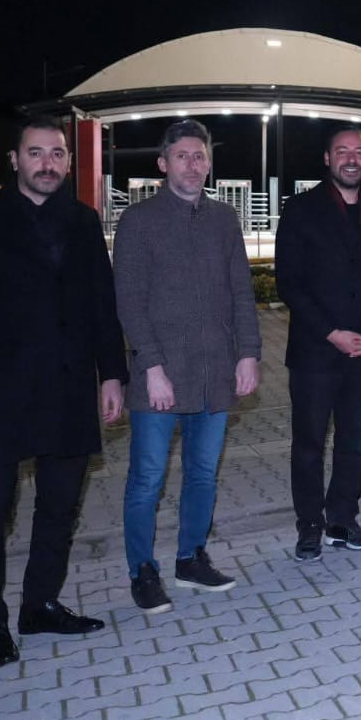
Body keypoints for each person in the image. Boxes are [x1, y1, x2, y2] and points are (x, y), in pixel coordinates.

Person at [0, 119, 127, 667]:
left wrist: (112, 374)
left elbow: (101, 306)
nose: (48, 163)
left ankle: (40, 603)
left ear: (68, 163)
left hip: (68, 389)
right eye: (36, 152)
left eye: (58, 154)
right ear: (15, 161)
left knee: (59, 506)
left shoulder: (84, 222)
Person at [114, 119, 261, 613]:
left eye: (199, 156)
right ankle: (142, 570)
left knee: (202, 474)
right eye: (182, 156)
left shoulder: (224, 219)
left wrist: (248, 354)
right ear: (163, 163)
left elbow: (242, 292)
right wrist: (151, 367)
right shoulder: (139, 221)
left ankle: (190, 558)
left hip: (215, 372)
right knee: (147, 480)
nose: (192, 165)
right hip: (161, 375)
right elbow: (129, 303)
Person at [276, 127, 361, 561]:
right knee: (309, 443)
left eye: (360, 152)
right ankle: (309, 525)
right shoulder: (300, 210)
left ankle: (342, 519)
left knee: (356, 441)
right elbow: (290, 283)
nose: (351, 159)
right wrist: (333, 333)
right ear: (327, 159)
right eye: (342, 151)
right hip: (318, 351)